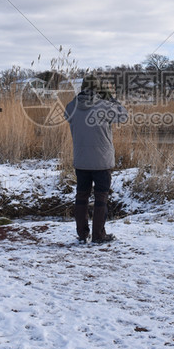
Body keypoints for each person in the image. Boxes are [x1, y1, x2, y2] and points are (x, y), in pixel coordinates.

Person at [64, 75, 128, 244]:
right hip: (102, 162)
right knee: (101, 197)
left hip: (81, 161)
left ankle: (82, 234)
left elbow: (67, 113)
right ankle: (99, 234)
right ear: (99, 88)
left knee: (81, 196)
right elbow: (123, 115)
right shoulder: (105, 106)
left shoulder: (72, 106)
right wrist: (111, 99)